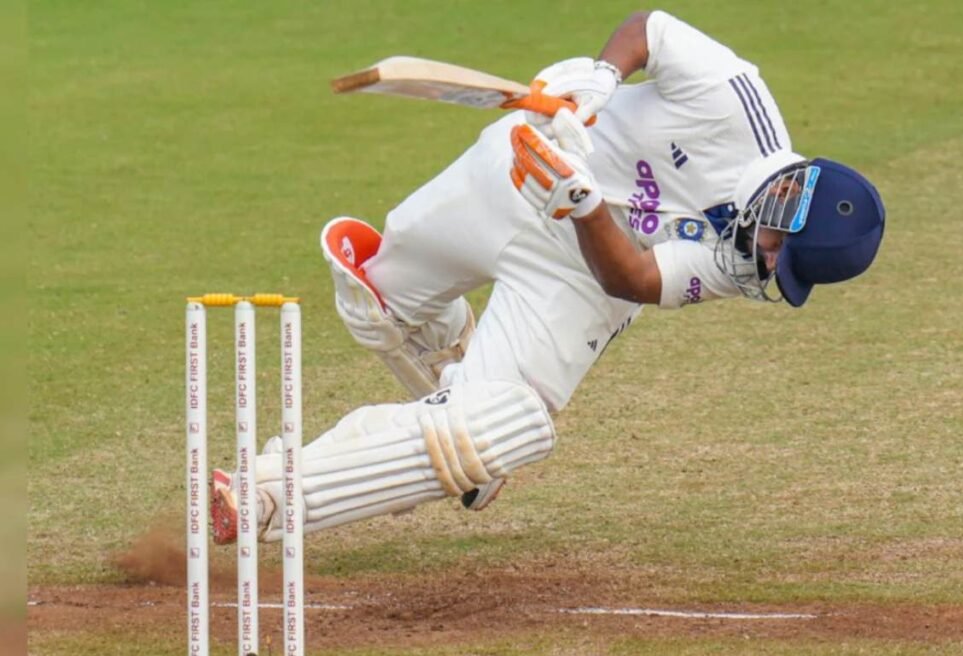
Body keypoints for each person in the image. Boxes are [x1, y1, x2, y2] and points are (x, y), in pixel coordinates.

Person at [210, 9, 885, 544]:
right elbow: (648, 29)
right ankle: (453, 360)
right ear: (789, 195)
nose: (765, 264)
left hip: (580, 277)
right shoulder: (735, 100)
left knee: (494, 431)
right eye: (778, 248)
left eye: (779, 269)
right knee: (372, 307)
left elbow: (633, 280)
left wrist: (583, 205)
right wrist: (602, 78)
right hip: (514, 168)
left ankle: (269, 495)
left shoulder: (739, 260)